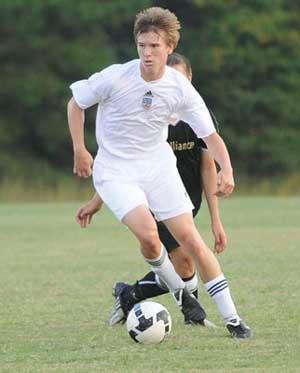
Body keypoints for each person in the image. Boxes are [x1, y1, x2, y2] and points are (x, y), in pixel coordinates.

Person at [67, 7, 252, 338]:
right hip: (116, 171)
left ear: (169, 47)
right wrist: (81, 150)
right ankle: (184, 299)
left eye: (154, 46)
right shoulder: (116, 77)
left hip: (158, 166)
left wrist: (228, 169)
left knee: (192, 241)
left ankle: (234, 320)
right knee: (151, 238)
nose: (147, 53)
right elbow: (75, 103)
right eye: (142, 45)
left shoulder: (179, 88)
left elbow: (211, 137)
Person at [76, 53, 227, 330]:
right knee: (183, 260)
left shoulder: (196, 116)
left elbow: (208, 168)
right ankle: (191, 311)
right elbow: (127, 166)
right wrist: (98, 198)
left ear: (189, 80)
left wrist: (216, 220)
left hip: (184, 199)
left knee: (185, 266)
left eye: (180, 78)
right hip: (150, 198)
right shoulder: (149, 110)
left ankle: (130, 294)